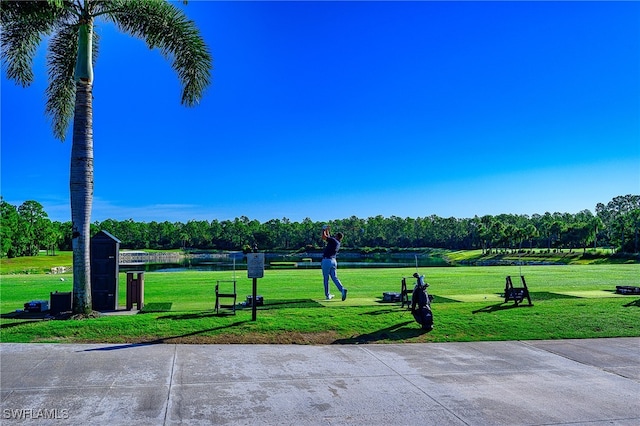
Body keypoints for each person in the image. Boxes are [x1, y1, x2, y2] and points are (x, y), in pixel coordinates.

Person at [321, 226, 347, 301]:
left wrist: (323, 229)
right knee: (334, 277)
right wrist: (327, 230)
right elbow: (328, 237)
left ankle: (327, 295)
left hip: (327, 261)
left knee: (326, 278)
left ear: (336, 236)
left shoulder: (333, 240)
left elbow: (324, 237)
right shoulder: (337, 243)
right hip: (333, 261)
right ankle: (342, 290)